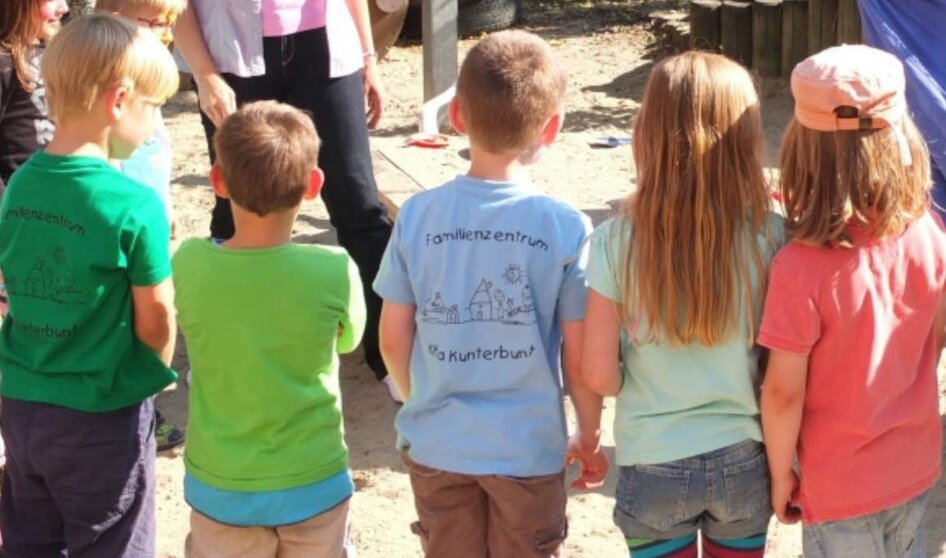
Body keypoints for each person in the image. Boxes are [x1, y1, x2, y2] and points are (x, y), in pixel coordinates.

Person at [373, 30, 608, 557]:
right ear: (552, 129)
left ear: (455, 115)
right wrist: (588, 434)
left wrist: (420, 403)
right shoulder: (565, 226)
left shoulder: (417, 216)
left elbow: (392, 338)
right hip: (526, 451)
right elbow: (578, 354)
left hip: (439, 447)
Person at [581, 51, 782, 558]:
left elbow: (599, 373)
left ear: (647, 132)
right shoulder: (773, 236)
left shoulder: (614, 241)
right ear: (747, 137)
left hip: (653, 461)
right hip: (745, 456)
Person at [0, 14, 179, 555]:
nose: (154, 124)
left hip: (22, 405)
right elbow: (157, 318)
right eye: (154, 108)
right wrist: (152, 375)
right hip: (102, 415)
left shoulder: (20, 183)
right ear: (119, 100)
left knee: (32, 540)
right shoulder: (133, 203)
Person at [760, 44, 946, 558]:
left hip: (838, 485)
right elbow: (933, 342)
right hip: (913, 467)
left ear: (800, 147)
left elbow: (782, 395)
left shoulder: (797, 269)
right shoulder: (931, 232)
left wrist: (780, 475)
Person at [173, 0, 396, 398]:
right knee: (235, 205)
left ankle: (389, 352)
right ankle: (224, 350)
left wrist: (367, 57)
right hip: (233, 55)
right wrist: (205, 75)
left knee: (357, 201)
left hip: (327, 49)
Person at [173, 100, 365, 557]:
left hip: (220, 484)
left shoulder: (189, 262)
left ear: (217, 181)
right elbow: (350, 338)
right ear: (314, 186)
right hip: (314, 480)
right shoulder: (334, 268)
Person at [96, 0, 187, 453]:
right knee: (127, 315)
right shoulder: (107, 83)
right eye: (151, 21)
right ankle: (133, 410)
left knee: (151, 309)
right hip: (119, 223)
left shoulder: (147, 75)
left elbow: (159, 153)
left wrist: (166, 201)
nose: (162, 31)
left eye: (168, 23)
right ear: (113, 16)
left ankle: (146, 407)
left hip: (148, 215)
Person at [0, 0, 67, 193]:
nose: (63, 8)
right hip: (19, 207)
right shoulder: (4, 62)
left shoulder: (54, 52)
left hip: (56, 197)